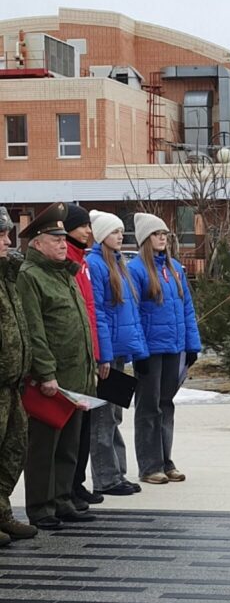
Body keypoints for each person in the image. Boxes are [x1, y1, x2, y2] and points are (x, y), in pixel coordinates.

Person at [16, 203, 97, 529]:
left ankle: (63, 500)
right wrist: (45, 373)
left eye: (64, 239)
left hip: (75, 374)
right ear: (37, 243)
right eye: (56, 240)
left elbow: (78, 323)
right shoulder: (31, 276)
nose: (64, 245)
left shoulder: (64, 273)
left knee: (68, 446)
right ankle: (41, 507)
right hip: (51, 380)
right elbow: (34, 330)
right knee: (44, 448)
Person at [128, 213, 201, 484]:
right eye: (157, 234)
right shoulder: (136, 270)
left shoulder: (175, 269)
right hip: (150, 350)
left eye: (165, 234)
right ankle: (149, 465)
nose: (162, 238)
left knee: (166, 404)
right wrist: (138, 351)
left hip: (173, 347)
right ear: (145, 239)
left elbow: (187, 309)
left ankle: (165, 459)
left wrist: (192, 345)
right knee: (148, 407)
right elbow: (132, 313)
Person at [87, 211, 149, 496]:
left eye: (121, 231)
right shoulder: (96, 265)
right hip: (108, 354)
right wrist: (104, 356)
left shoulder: (119, 263)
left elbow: (131, 314)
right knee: (103, 417)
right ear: (101, 235)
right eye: (114, 231)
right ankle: (106, 478)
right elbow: (98, 313)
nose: (120, 236)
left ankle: (118, 473)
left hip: (120, 351)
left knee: (115, 415)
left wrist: (139, 351)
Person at [63, 202, 103, 511]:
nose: (89, 231)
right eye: (83, 225)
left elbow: (90, 312)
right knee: (72, 429)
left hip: (88, 353)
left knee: (84, 425)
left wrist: (97, 354)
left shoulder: (82, 261)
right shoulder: (67, 262)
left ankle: (76, 483)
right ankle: (68, 487)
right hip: (73, 358)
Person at [0, 207, 37, 546]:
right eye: (0, 235)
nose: (8, 241)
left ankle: (2, 512)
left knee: (14, 449)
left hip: (12, 383)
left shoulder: (8, 276)